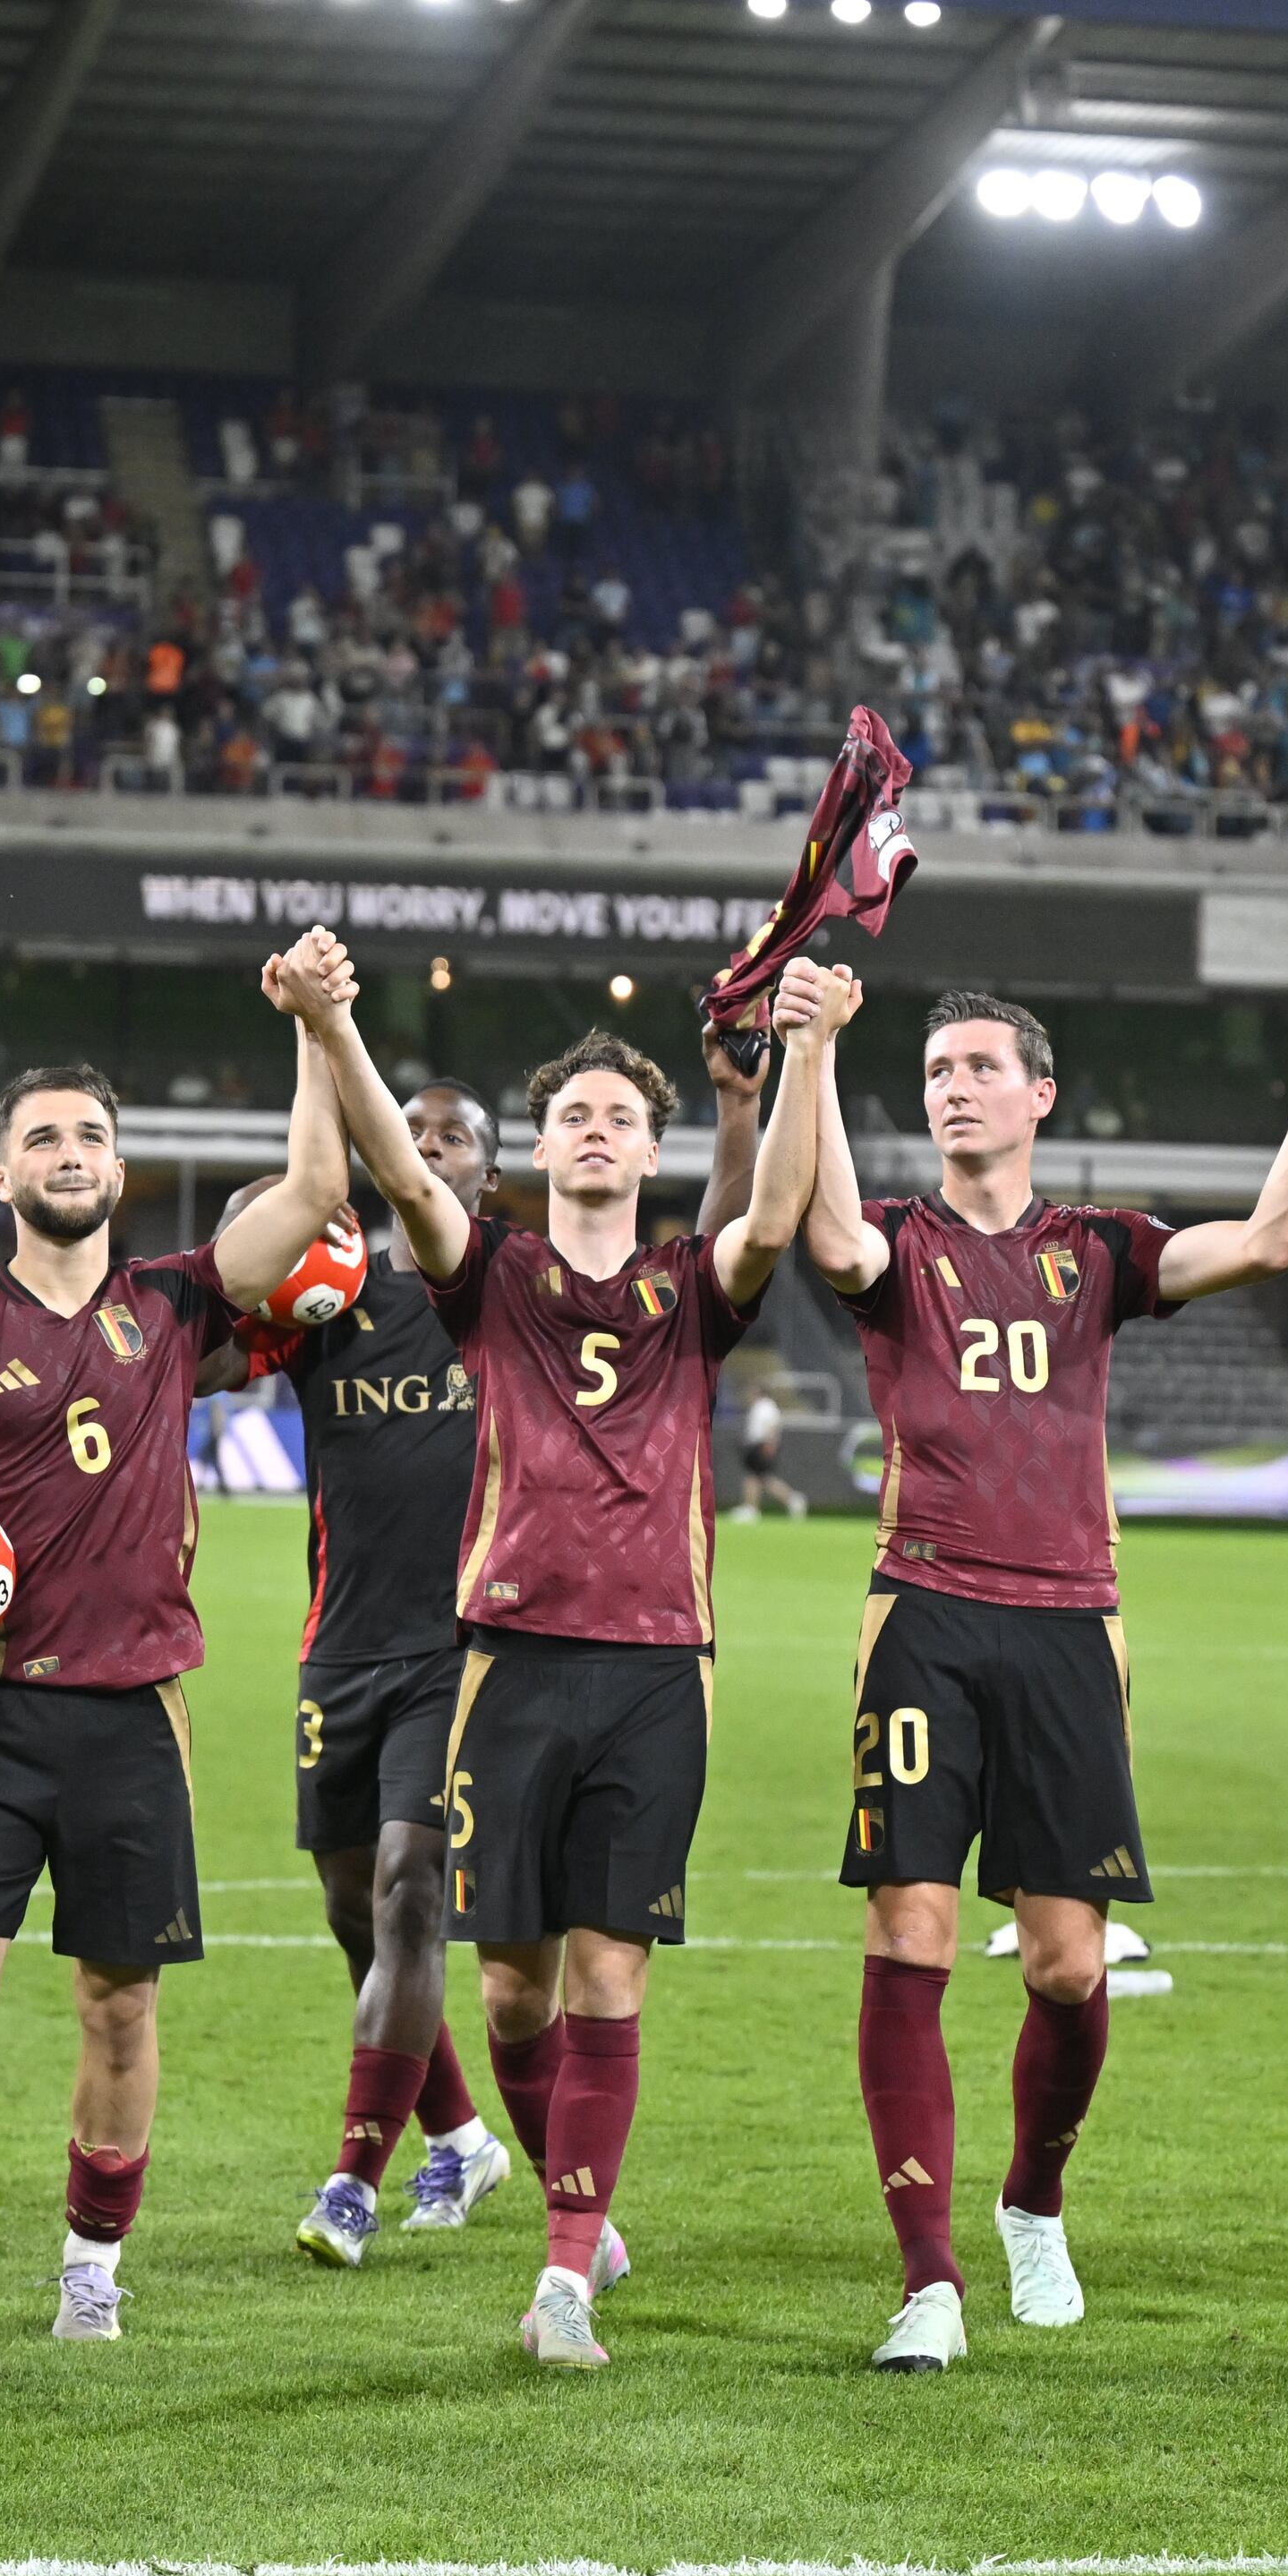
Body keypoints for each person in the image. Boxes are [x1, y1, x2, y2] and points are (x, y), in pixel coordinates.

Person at [0, 935, 360, 2366]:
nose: (70, 1150)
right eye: (42, 1135)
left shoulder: (173, 1302)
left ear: (120, 1165)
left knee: (119, 2009)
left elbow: (311, 1195)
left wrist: (316, 1024)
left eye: (92, 1133)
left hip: (132, 1719)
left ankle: (90, 2268)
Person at [787, 977, 1288, 2371]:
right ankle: (929, 2281)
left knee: (1063, 1963)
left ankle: (1033, 2199)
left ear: (1042, 1095)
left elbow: (1281, 1236)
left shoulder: (1098, 1249)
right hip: (919, 1611)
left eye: (984, 1065)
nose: (956, 1085)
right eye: (936, 1068)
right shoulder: (897, 1244)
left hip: (1068, 1626)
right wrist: (814, 1044)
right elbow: (824, 1223)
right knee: (909, 1930)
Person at [327, 969, 845, 2369]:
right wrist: (334, 1025)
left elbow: (777, 1213)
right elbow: (395, 1163)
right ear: (541, 1147)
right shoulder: (490, 1280)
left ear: (653, 1151)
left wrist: (808, 1049)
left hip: (658, 1670)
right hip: (509, 1663)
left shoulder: (692, 1288)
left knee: (613, 1976)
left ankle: (564, 2276)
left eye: (621, 1113)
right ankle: (578, 2195)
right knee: (512, 1989)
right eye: (574, 1113)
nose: (598, 1128)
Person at [279, 1042, 762, 2273]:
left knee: (419, 1900)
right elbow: (220, 1348)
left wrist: (761, 1086)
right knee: (403, 1934)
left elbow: (739, 1236)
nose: (430, 1153)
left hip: (503, 1650)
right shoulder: (385, 1298)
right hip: (359, 1646)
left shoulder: (570, 1285)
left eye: (455, 1141)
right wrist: (327, 1037)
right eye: (574, 1114)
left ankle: (392, 2185)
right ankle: (466, 2135)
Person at [735, 1382, 802, 1521]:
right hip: (758, 1444)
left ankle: (752, 1508)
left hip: (761, 1444)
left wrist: (769, 1444)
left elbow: (772, 1426)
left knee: (755, 1477)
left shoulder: (766, 1406)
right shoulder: (762, 1406)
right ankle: (791, 1499)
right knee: (761, 1478)